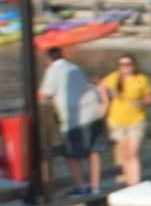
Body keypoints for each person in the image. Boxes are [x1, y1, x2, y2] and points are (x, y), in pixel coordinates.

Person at [38, 47, 108, 195]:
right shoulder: (75, 67)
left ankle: (80, 187)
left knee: (72, 156)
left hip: (74, 117)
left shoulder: (53, 70)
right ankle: (95, 187)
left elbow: (44, 94)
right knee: (93, 152)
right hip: (93, 112)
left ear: (48, 60)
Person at [98, 55, 151, 186]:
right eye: (121, 64)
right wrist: (105, 102)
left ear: (134, 65)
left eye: (127, 64)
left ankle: (135, 182)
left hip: (136, 120)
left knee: (132, 152)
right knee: (124, 153)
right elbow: (101, 85)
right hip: (117, 120)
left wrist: (141, 102)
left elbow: (148, 95)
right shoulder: (115, 77)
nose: (124, 67)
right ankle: (128, 182)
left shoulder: (139, 79)